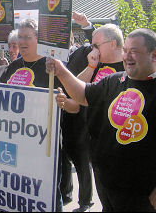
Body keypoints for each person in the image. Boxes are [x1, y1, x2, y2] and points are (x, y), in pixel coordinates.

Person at [46, 28, 156, 212]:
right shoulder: (116, 80)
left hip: (145, 195)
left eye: (134, 51)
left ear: (154, 55)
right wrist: (61, 71)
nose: (127, 56)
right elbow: (82, 94)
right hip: (109, 188)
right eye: (125, 50)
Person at [0, 18, 64, 212]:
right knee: (21, 190)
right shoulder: (14, 66)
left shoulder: (51, 65)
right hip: (17, 139)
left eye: (28, 37)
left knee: (49, 192)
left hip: (44, 141)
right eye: (20, 37)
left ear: (39, 39)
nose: (22, 42)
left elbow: (66, 97)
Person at [59, 12, 96, 212]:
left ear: (71, 37)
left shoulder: (82, 52)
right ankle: (66, 193)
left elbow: (97, 46)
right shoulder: (52, 57)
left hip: (78, 113)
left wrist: (87, 25)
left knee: (81, 159)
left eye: (65, 37)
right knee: (63, 153)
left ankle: (85, 201)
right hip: (60, 111)